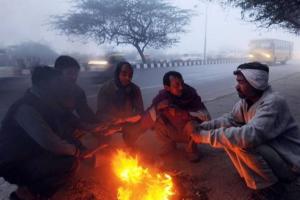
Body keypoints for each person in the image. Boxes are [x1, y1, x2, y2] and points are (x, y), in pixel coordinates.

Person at [185, 62, 300, 199]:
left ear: (255, 82)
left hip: (289, 163)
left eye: (241, 82)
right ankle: (251, 178)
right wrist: (203, 127)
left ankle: (271, 188)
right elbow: (230, 119)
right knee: (230, 134)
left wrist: (203, 137)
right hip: (273, 152)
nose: (236, 86)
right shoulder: (246, 101)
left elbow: (249, 136)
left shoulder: (274, 102)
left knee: (242, 141)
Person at [0, 66, 88, 199]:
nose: (60, 87)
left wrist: (77, 143)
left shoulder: (45, 103)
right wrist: (76, 151)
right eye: (57, 83)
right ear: (43, 84)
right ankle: (27, 193)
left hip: (29, 154)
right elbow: (50, 142)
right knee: (70, 162)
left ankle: (34, 190)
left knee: (69, 156)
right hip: (13, 163)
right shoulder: (26, 108)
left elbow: (61, 131)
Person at [124, 71, 211, 162]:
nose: (181, 87)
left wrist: (182, 113)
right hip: (172, 130)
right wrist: (157, 108)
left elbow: (206, 116)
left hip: (188, 131)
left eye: (182, 83)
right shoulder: (162, 97)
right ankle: (169, 144)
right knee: (156, 117)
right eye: (176, 85)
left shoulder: (191, 94)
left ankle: (192, 150)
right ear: (167, 88)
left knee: (193, 125)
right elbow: (148, 115)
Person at [96, 61, 144, 125]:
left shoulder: (135, 89)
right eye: (124, 74)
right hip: (110, 125)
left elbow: (140, 111)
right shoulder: (105, 89)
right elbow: (100, 113)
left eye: (130, 75)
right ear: (117, 73)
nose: (127, 78)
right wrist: (114, 120)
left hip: (129, 125)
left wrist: (128, 120)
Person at [54, 55, 97, 124]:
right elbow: (63, 116)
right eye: (69, 73)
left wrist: (99, 124)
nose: (74, 77)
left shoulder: (77, 92)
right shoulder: (48, 91)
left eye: (76, 73)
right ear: (58, 73)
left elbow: (85, 112)